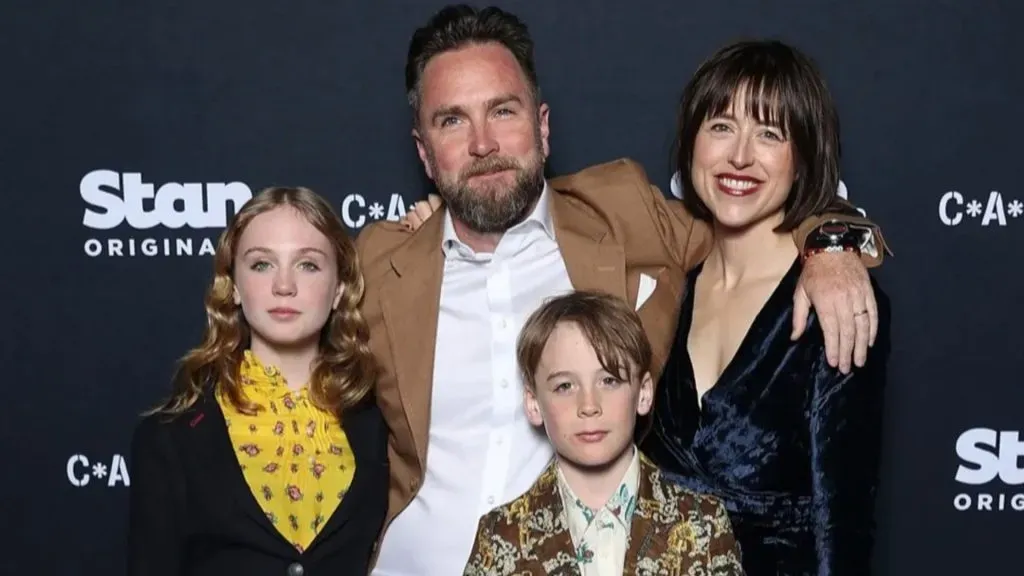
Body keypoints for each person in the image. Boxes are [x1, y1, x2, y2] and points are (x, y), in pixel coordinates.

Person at [360, 5, 890, 574]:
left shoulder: (623, 213)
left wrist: (831, 243)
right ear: (423, 150)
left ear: (542, 125)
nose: (483, 142)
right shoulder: (381, 260)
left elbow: (749, 206)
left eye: (502, 111)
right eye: (452, 121)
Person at [638, 41, 891, 575]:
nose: (740, 156)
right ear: (691, 145)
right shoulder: (664, 284)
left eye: (770, 134)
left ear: (803, 160)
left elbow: (841, 525)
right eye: (721, 126)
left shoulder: (838, 303)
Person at [126, 187, 388, 576]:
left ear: (339, 289)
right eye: (262, 264)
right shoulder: (171, 438)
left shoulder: (378, 425)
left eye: (308, 265)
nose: (285, 285)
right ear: (231, 284)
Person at [462, 290, 745, 575]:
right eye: (565, 386)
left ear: (643, 393)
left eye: (609, 380)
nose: (588, 405)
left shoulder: (702, 523)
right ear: (534, 403)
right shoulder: (501, 535)